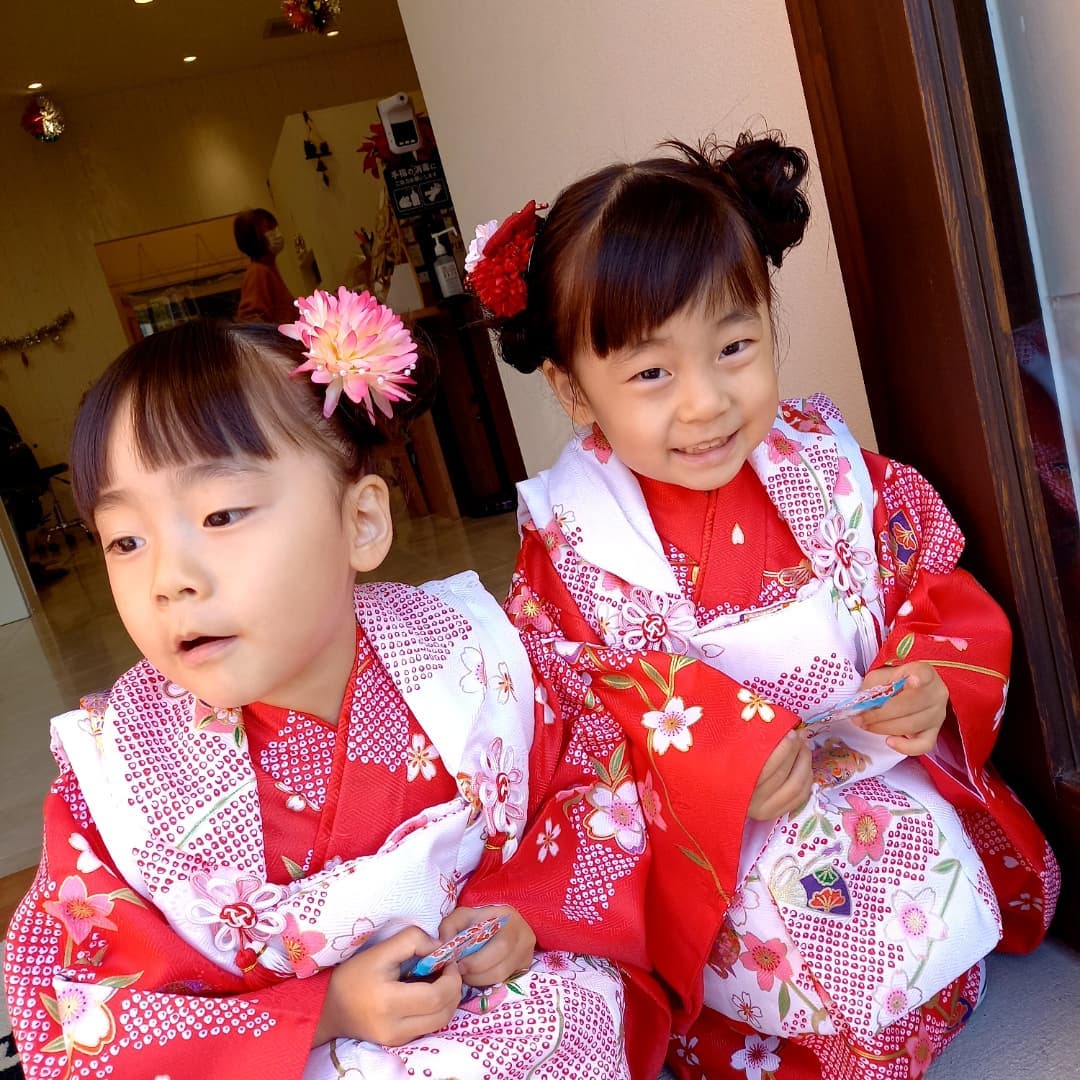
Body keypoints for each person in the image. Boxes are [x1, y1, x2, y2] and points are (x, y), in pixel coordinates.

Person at [464, 135, 1061, 1079]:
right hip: (721, 835)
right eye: (652, 374)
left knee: (917, 869)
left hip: (869, 778)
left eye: (735, 347)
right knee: (777, 923)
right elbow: (567, 714)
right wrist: (721, 764)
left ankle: (916, 990)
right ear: (574, 388)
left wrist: (929, 675)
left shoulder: (828, 467)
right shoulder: (569, 542)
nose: (706, 402)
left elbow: (931, 579)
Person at [1, 289, 639, 1079]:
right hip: (290, 1054)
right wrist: (326, 1010)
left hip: (502, 1014)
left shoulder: (466, 656)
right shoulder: (122, 770)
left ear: (361, 523)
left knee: (571, 1021)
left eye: (222, 515)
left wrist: (523, 915)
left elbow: (588, 793)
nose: (169, 578)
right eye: (126, 539)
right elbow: (73, 1015)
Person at [234, 207, 297, 325]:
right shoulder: (258, 271)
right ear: (255, 237)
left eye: (275, 227)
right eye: (270, 228)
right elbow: (250, 322)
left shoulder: (268, 269)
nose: (277, 232)